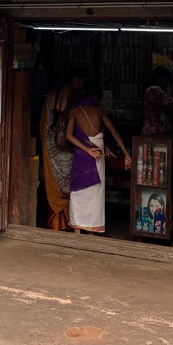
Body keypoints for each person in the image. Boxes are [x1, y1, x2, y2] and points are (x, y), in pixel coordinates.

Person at [66, 79, 131, 234]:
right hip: (97, 156)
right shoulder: (100, 111)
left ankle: (77, 230)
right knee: (95, 193)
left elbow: (69, 135)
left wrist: (87, 150)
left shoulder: (75, 111)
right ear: (96, 97)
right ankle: (92, 230)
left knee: (78, 192)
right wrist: (127, 154)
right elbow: (114, 132)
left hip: (81, 156)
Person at [39, 72, 83, 231]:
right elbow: (62, 109)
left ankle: (58, 222)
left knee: (56, 181)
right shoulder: (69, 92)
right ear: (75, 79)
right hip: (63, 145)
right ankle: (70, 222)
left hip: (51, 146)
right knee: (69, 181)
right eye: (82, 81)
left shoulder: (52, 93)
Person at [141, 67, 173, 136]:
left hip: (154, 129)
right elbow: (172, 102)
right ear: (159, 78)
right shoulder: (154, 89)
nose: (167, 82)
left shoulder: (152, 90)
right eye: (166, 79)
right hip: (154, 129)